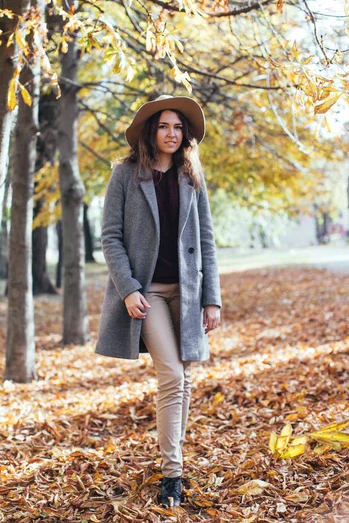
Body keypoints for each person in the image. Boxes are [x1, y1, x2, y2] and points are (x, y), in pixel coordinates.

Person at [95, 94, 222, 508]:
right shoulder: (126, 175)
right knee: (171, 375)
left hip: (186, 291)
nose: (172, 133)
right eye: (165, 126)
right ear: (152, 131)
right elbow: (110, 236)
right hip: (147, 291)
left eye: (179, 127)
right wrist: (128, 288)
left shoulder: (191, 176)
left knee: (185, 380)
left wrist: (211, 299)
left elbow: (206, 240)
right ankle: (173, 475)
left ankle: (175, 460)